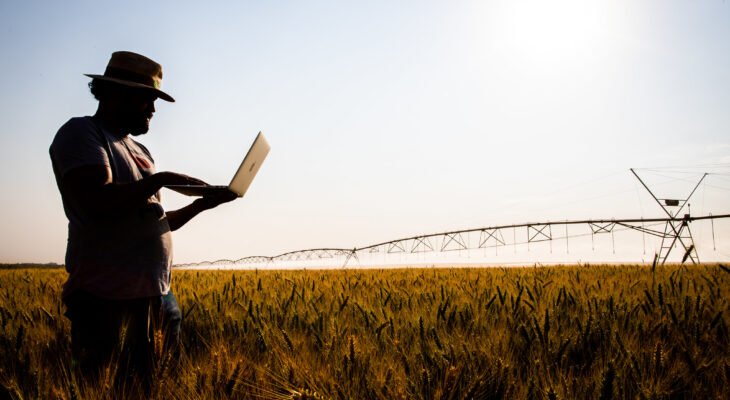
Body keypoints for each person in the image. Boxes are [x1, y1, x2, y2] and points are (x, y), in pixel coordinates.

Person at [49, 51, 235, 393]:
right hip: (107, 300)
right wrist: (159, 179)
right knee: (106, 390)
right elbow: (95, 202)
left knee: (152, 389)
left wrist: (201, 206)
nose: (153, 109)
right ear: (113, 93)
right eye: (146, 98)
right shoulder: (82, 133)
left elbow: (155, 219)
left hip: (159, 296)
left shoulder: (141, 151)